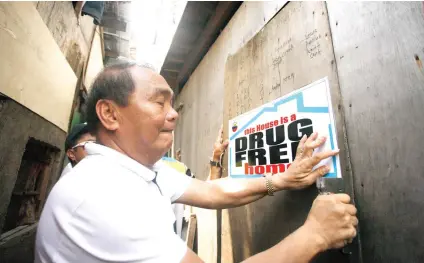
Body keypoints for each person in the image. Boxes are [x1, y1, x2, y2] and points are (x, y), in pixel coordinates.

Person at [35, 62, 358, 263]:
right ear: (109, 114)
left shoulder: (141, 169)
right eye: (159, 102)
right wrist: (314, 235)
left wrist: (281, 179)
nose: (173, 114)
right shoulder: (102, 196)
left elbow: (212, 191)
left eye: (173, 104)